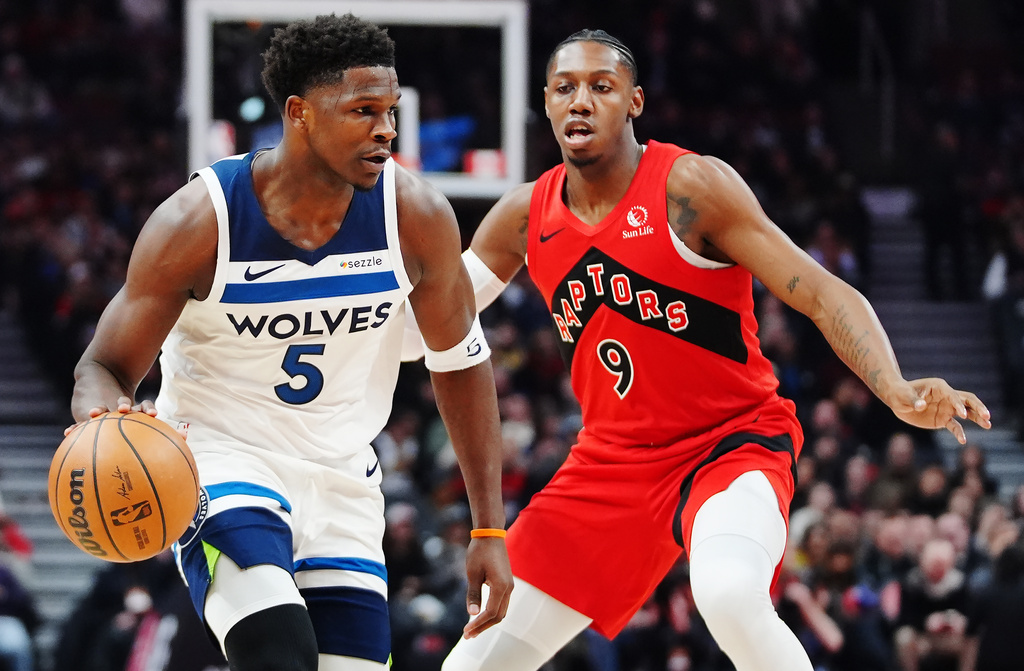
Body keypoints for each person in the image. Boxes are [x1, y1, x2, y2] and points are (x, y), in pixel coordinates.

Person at [408, 29, 992, 671]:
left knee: (729, 595)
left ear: (635, 101)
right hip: (609, 466)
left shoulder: (690, 188)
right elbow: (427, 324)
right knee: (471, 663)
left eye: (601, 87)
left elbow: (823, 293)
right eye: (564, 88)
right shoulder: (524, 216)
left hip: (729, 443)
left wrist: (895, 387)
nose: (581, 101)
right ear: (545, 103)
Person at [67, 14, 512, 671]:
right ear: (300, 113)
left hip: (344, 481)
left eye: (390, 110)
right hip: (221, 463)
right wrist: (106, 420)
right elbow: (103, 365)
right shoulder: (201, 221)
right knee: (278, 655)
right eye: (363, 111)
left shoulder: (415, 216)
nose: (386, 129)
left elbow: (460, 363)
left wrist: (488, 526)